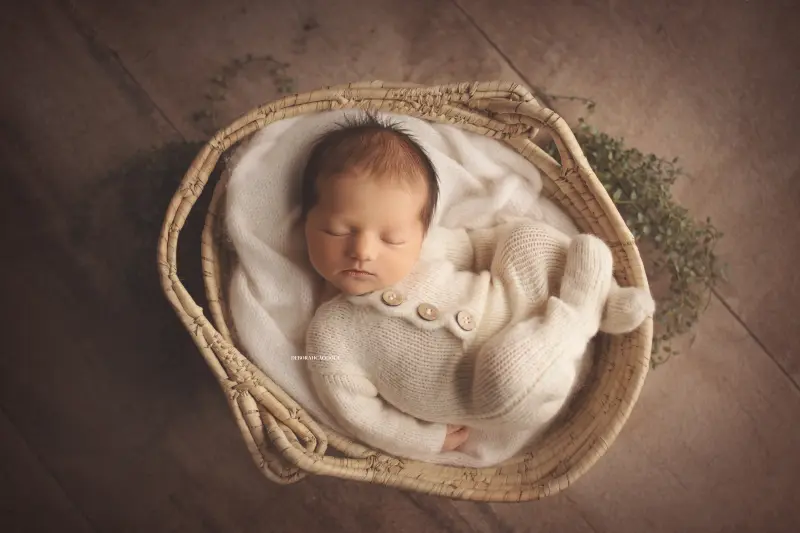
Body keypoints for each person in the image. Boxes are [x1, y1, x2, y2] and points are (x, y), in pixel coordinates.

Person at [299, 113, 654, 460]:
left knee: (524, 239)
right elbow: (359, 416)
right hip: (499, 390)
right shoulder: (329, 334)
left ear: (419, 234)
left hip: (516, 303)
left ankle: (605, 299)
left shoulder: (429, 249)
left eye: (392, 239)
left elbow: (478, 249)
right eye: (338, 231)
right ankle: (581, 315)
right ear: (306, 223)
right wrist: (427, 440)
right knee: (507, 373)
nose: (362, 251)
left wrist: (507, 249)